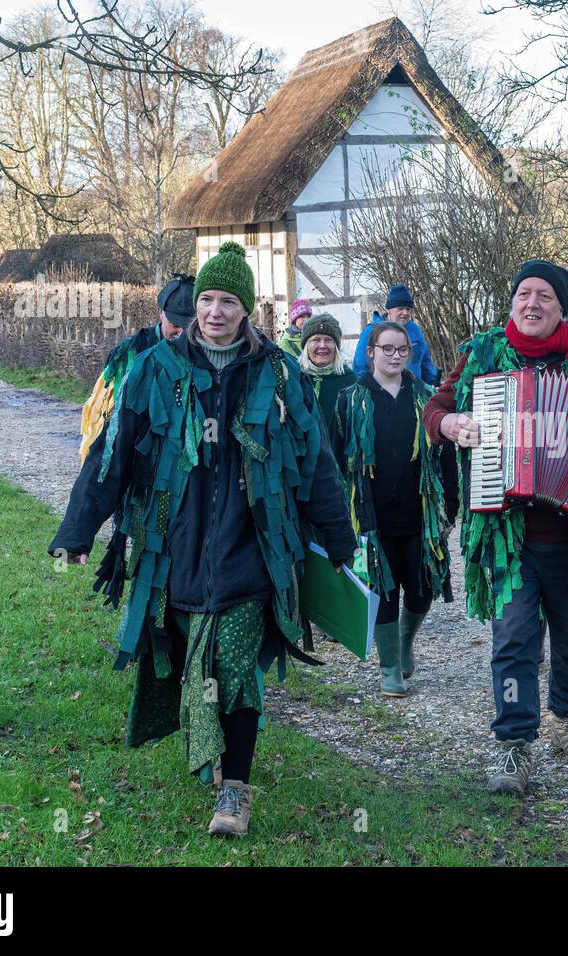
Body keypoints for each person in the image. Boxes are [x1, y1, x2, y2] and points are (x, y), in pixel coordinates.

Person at [49, 241, 357, 837]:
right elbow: (110, 459)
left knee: (237, 665)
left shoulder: (277, 373)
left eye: (228, 301)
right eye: (207, 300)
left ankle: (236, 791)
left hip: (252, 546)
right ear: (196, 305)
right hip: (176, 547)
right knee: (198, 668)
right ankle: (214, 757)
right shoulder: (155, 369)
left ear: (246, 309)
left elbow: (315, 460)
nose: (214, 311)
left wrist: (339, 540)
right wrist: (78, 529)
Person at [422, 259, 568, 797]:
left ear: (560, 306)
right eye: (524, 293)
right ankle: (513, 742)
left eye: (544, 296)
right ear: (513, 301)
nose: (532, 304)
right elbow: (434, 408)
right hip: (509, 533)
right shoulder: (482, 354)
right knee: (514, 638)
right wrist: (450, 424)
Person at [331, 321, 458, 697]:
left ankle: (404, 643)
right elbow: (337, 462)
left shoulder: (427, 399)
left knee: (421, 589)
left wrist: (450, 505)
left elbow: (446, 453)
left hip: (420, 514)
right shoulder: (349, 400)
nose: (395, 356)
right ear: (370, 352)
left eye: (402, 349)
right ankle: (389, 668)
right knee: (384, 590)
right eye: (387, 348)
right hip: (372, 516)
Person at [279, 312, 358, 652]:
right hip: (302, 477)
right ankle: (303, 612)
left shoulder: (350, 383)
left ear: (337, 347)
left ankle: (337, 614)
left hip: (340, 478)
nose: (322, 345)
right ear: (305, 344)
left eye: (328, 341)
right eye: (316, 340)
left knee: (337, 547)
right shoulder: (292, 380)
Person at [78, 274, 193, 464]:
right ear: (160, 314)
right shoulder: (132, 352)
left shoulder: (205, 355)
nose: (180, 333)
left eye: (188, 327)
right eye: (174, 325)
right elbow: (108, 415)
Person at [352, 284, 439, 385]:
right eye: (400, 308)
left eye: (408, 309)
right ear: (388, 309)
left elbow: (425, 361)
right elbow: (360, 367)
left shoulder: (415, 330)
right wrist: (366, 392)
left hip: (414, 393)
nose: (405, 312)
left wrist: (432, 381)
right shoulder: (372, 331)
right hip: (382, 393)